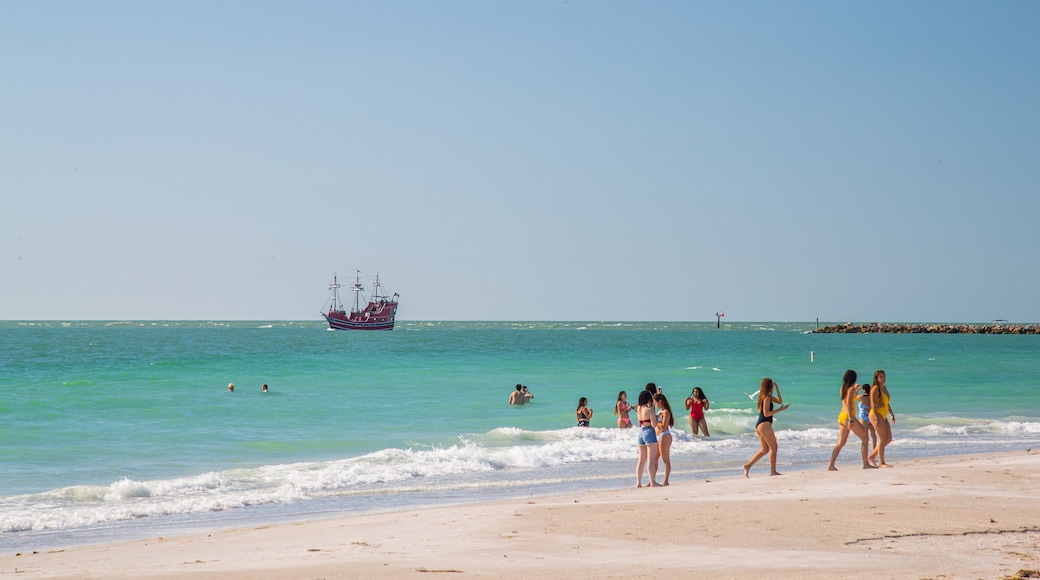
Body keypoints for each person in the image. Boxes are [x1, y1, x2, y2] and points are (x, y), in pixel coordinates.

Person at [826, 370, 875, 471]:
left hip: (841, 416)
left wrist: (856, 390)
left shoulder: (843, 388)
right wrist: (850, 420)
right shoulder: (851, 389)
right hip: (849, 417)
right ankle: (865, 464)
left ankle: (831, 465)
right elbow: (849, 404)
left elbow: (849, 399)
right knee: (865, 438)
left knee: (841, 442)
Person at [743, 377, 790, 477]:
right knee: (774, 447)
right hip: (764, 424)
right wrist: (779, 410)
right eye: (772, 386)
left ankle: (747, 466)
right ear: (769, 386)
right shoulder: (767, 398)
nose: (773, 387)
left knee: (764, 450)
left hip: (760, 425)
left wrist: (778, 388)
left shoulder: (765, 396)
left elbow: (779, 401)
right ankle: (773, 471)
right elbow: (766, 413)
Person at [634, 390, 660, 487]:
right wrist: (657, 419)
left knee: (641, 460)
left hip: (641, 432)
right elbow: (653, 425)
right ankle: (652, 481)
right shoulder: (650, 410)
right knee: (651, 460)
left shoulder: (638, 408)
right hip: (649, 431)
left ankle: (638, 483)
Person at [869, 370, 895, 467]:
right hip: (876, 414)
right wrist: (876, 417)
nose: (883, 378)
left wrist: (892, 414)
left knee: (888, 438)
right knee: (882, 438)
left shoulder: (884, 388)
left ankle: (872, 456)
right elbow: (872, 404)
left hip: (883, 414)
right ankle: (882, 462)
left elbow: (886, 403)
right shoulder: (875, 389)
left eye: (884, 376)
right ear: (876, 378)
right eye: (881, 377)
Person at [654, 393, 675, 486]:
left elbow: (663, 426)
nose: (655, 404)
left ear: (660, 402)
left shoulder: (666, 412)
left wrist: (655, 421)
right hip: (658, 436)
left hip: (664, 435)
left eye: (656, 402)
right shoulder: (660, 411)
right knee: (654, 459)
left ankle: (666, 480)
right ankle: (652, 479)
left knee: (665, 459)